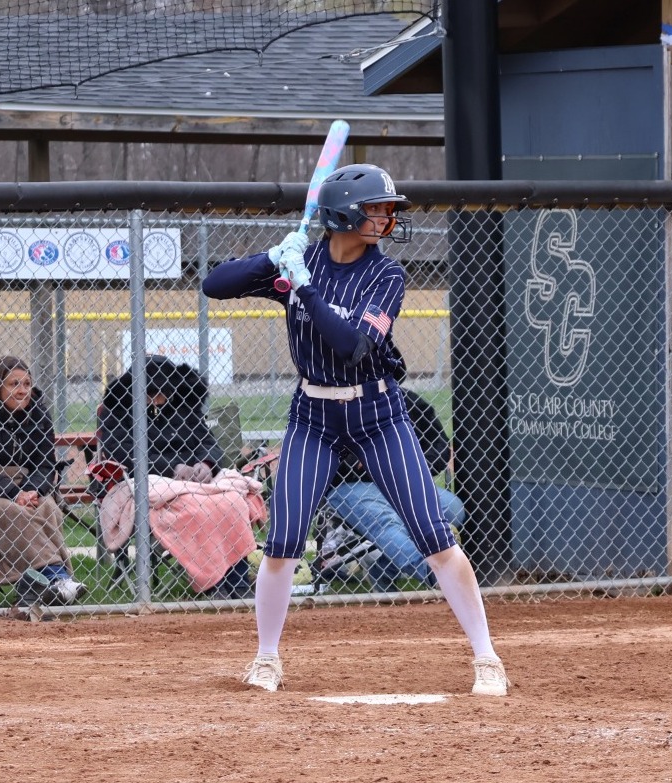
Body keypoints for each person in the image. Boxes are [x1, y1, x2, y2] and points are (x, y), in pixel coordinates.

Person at [202, 162, 509, 696]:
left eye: (389, 211)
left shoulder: (386, 275)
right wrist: (273, 258)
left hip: (378, 414)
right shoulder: (301, 261)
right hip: (313, 416)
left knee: (434, 535)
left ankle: (487, 658)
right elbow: (213, 284)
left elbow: (351, 346)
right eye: (377, 210)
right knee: (283, 540)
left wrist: (305, 290)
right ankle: (267, 658)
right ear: (344, 213)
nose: (388, 219)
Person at [97, 354, 253, 599]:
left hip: (194, 481)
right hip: (149, 479)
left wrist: (207, 463)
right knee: (195, 510)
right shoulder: (117, 408)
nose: (157, 399)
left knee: (231, 502)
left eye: (163, 392)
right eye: (150, 392)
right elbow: (123, 452)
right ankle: (213, 582)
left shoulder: (183, 404)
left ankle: (238, 580)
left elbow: (206, 441)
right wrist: (174, 468)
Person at [0, 356, 84, 608]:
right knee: (11, 511)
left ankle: (35, 586)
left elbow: (44, 463)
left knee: (47, 506)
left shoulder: (38, 412)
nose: (22, 390)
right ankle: (58, 577)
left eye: (27, 383)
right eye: (14, 384)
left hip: (24, 483)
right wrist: (12, 493)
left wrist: (32, 489)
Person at [322, 384, 463, 592]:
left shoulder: (407, 401)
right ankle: (433, 573)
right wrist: (356, 459)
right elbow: (320, 461)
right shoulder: (334, 404)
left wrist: (405, 466)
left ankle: (382, 566)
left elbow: (440, 449)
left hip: (402, 481)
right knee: (387, 520)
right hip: (350, 486)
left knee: (453, 508)